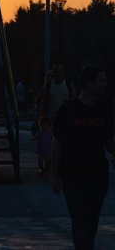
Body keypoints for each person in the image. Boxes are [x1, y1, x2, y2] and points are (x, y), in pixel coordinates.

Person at [51, 66, 115, 250]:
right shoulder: (68, 110)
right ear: (88, 83)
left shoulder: (103, 111)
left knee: (92, 222)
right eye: (101, 80)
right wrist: (54, 175)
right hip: (73, 176)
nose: (105, 84)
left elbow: (108, 141)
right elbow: (57, 143)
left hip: (98, 177)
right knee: (80, 219)